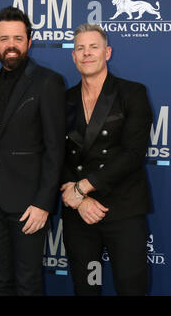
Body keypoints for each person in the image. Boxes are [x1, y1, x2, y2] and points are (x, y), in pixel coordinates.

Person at [0, 6, 66, 296]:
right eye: (4, 39)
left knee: (28, 282)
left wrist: (43, 203)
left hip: (29, 204)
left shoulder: (49, 81)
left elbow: (55, 148)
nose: (11, 45)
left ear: (29, 41)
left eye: (17, 38)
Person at [60, 23, 152, 295]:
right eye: (80, 48)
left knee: (131, 289)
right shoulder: (63, 100)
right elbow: (54, 155)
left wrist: (83, 187)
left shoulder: (132, 93)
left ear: (107, 52)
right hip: (80, 215)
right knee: (87, 288)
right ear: (73, 56)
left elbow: (133, 154)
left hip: (123, 210)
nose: (87, 53)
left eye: (93, 47)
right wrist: (81, 199)